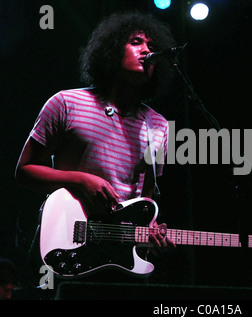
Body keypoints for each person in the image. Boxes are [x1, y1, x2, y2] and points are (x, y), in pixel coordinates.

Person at [15, 12, 176, 257]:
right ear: (111, 50)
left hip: (122, 257)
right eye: (136, 42)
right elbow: (24, 171)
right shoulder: (66, 103)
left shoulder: (158, 125)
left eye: (152, 47)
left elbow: (146, 202)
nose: (146, 51)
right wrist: (80, 180)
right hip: (67, 243)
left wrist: (151, 232)